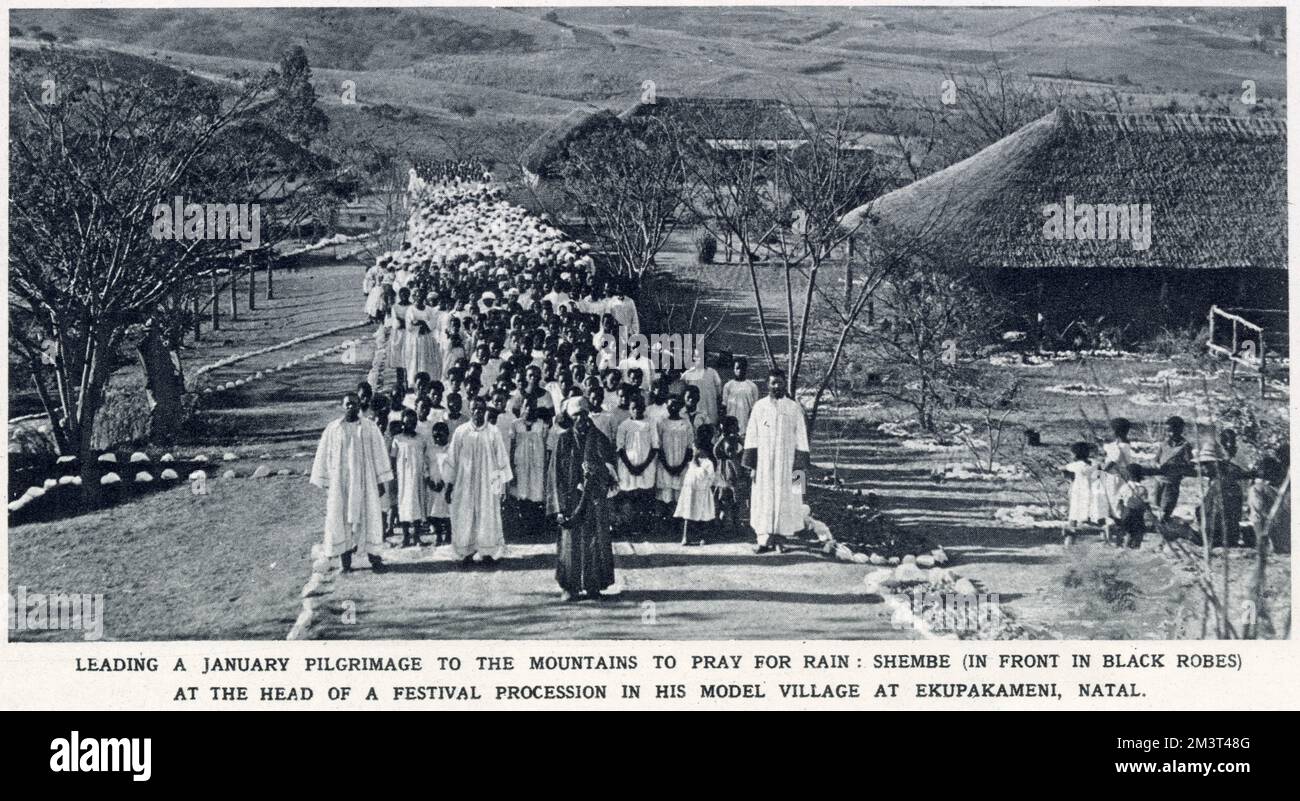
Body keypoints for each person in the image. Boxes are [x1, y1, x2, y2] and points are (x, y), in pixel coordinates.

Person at [309, 393, 392, 573]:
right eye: (347, 404)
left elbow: (379, 453)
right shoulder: (333, 429)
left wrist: (379, 481)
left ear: (359, 405)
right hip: (342, 484)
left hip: (366, 482)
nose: (350, 407)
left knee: (370, 518)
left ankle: (375, 560)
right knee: (340, 520)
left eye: (353, 404)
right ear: (342, 406)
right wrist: (326, 479)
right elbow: (324, 454)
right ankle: (345, 564)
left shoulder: (369, 427)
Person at [553, 398, 618, 602]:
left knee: (595, 542)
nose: (581, 419)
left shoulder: (599, 438)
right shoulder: (563, 440)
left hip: (594, 499)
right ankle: (570, 587)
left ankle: (593, 586)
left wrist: (595, 475)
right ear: (569, 419)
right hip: (571, 502)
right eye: (576, 416)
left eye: (584, 415)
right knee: (570, 543)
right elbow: (555, 475)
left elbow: (610, 469)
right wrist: (560, 507)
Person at [743, 372, 809, 554]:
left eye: (780, 383)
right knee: (763, 499)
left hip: (787, 464)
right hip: (764, 464)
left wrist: (800, 467)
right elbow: (752, 436)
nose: (777, 387)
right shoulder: (759, 407)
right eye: (773, 383)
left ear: (785, 384)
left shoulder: (794, 408)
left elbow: (801, 437)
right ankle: (764, 540)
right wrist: (752, 466)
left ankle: (781, 540)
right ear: (767, 385)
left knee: (787, 498)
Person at [444, 397, 512, 567]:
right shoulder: (461, 431)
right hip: (464, 482)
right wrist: (449, 485)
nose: (477, 412)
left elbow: (501, 461)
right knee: (465, 514)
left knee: (487, 515)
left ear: (485, 411)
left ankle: (487, 552)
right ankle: (466, 552)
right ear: (470, 409)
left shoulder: (493, 432)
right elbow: (452, 459)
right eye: (474, 408)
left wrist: (501, 489)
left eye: (481, 409)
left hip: (487, 484)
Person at [390, 409, 430, 547]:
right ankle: (406, 538)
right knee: (404, 506)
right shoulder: (397, 439)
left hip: (417, 477)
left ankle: (417, 537)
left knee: (418, 504)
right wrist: (394, 477)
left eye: (413, 422)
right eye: (407, 422)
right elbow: (393, 459)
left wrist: (425, 474)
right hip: (403, 478)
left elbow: (426, 458)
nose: (411, 425)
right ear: (402, 423)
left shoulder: (421, 439)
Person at [675, 424, 718, 546]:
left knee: (703, 516)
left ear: (701, 450)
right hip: (690, 493)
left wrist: (696, 464)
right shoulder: (692, 462)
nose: (693, 451)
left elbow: (708, 477)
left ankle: (703, 537)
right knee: (688, 515)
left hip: (702, 492)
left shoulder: (708, 463)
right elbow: (689, 477)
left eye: (695, 449)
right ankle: (686, 537)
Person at [1061, 441, 1104, 545]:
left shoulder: (1076, 465)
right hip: (1093, 492)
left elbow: (1063, 468)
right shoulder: (1093, 464)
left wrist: (1066, 473)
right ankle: (1104, 537)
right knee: (1095, 514)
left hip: (1078, 492)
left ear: (1075, 454)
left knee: (1074, 515)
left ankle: (1070, 541)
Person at [1152, 415, 1192, 522]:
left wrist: (1176, 468)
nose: (1171, 434)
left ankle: (1165, 526)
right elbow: (1155, 459)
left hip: (1172, 482)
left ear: (1180, 430)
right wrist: (1157, 465)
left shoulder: (1185, 446)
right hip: (1159, 479)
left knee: (1167, 507)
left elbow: (1189, 465)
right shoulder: (1164, 444)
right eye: (1168, 431)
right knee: (1156, 504)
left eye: (1174, 431)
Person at [722, 356, 761, 435]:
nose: (740, 371)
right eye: (737, 368)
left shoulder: (752, 386)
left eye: (742, 368)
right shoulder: (728, 386)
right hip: (730, 425)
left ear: (746, 369)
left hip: (745, 424)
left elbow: (754, 408)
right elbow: (724, 406)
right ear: (733, 369)